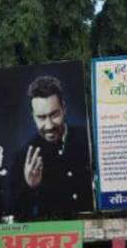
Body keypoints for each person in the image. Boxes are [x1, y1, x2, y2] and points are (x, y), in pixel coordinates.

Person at [11, 75, 92, 219]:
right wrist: (30, 186)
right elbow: (19, 217)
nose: (48, 126)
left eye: (54, 115)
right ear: (33, 116)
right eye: (41, 117)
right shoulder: (23, 156)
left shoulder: (89, 138)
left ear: (64, 109)